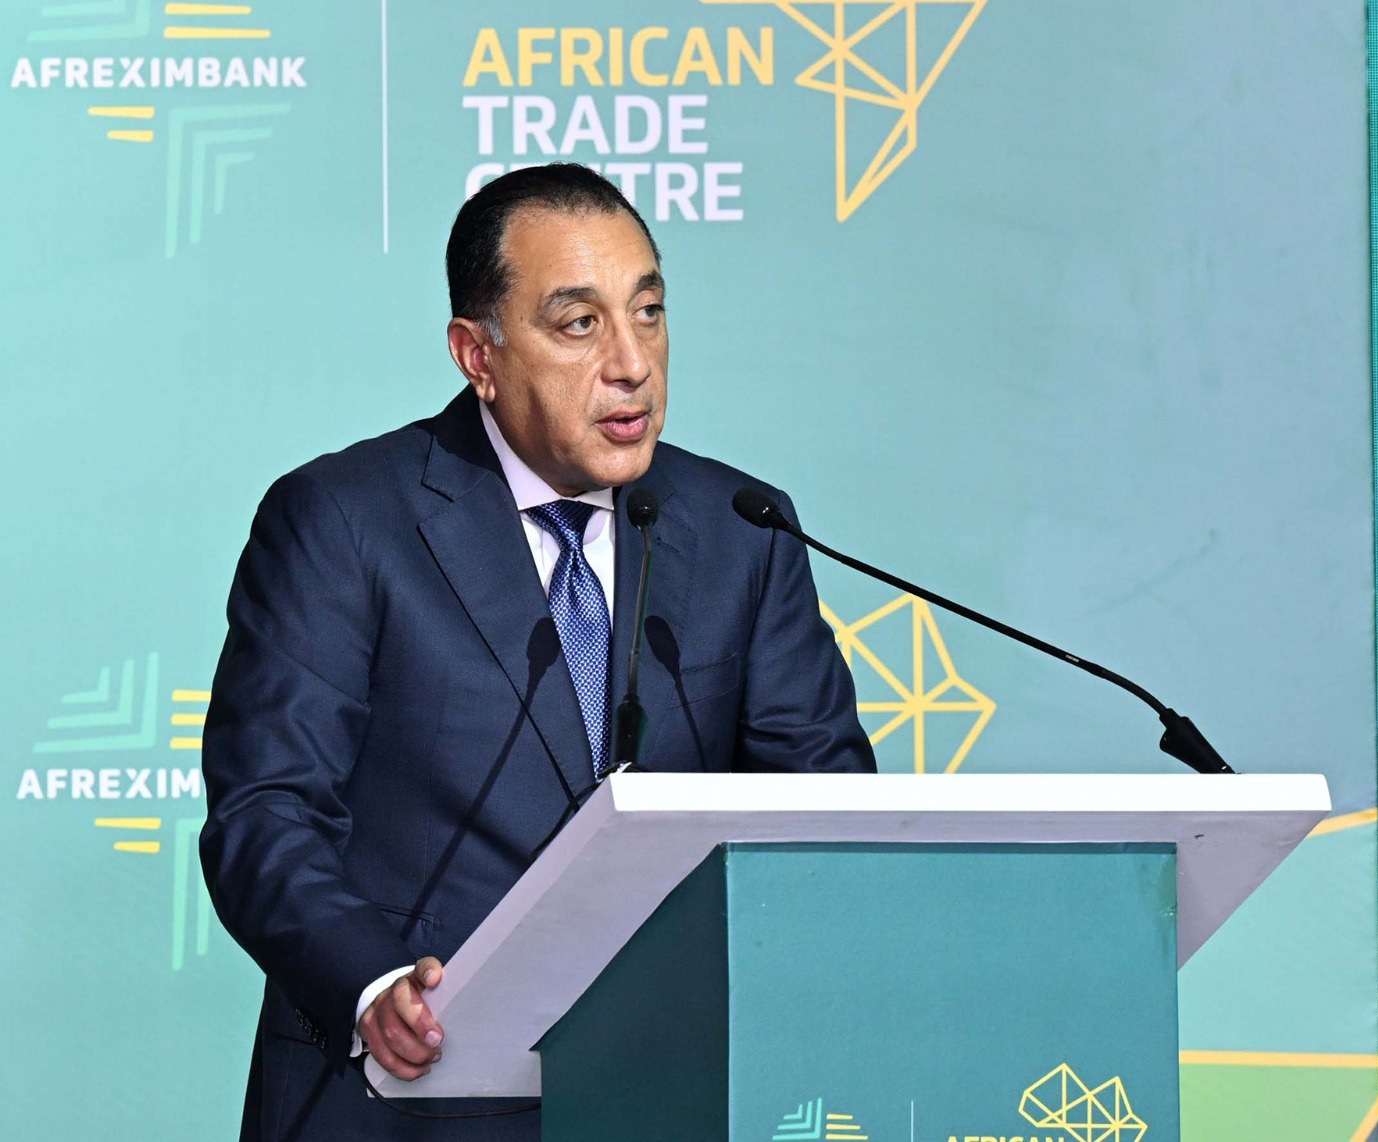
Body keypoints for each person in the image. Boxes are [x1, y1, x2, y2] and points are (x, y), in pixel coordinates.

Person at [199, 163, 875, 1140]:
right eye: (579, 323)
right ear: (477, 354)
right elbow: (267, 813)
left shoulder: (741, 530)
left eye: (648, 312)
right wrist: (374, 984)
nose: (631, 361)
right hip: (403, 1097)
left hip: (663, 1094)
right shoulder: (343, 522)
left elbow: (826, 815)